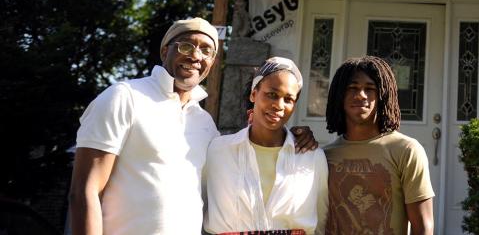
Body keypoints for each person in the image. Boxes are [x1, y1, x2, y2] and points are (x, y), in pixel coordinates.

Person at [68, 17, 317, 235]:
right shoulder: (124, 97)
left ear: (212, 61)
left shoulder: (205, 124)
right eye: (186, 46)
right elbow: (84, 191)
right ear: (165, 51)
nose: (196, 56)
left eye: (206, 50)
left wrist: (293, 137)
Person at [204, 57, 329, 234]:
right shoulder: (218, 151)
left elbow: (321, 222)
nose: (279, 105)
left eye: (288, 99)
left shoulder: (312, 157)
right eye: (272, 94)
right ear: (254, 94)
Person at [323, 56, 434, 235]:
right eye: (352, 88)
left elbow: (423, 226)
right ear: (339, 95)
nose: (361, 95)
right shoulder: (324, 156)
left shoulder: (406, 150)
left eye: (370, 88)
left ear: (383, 95)